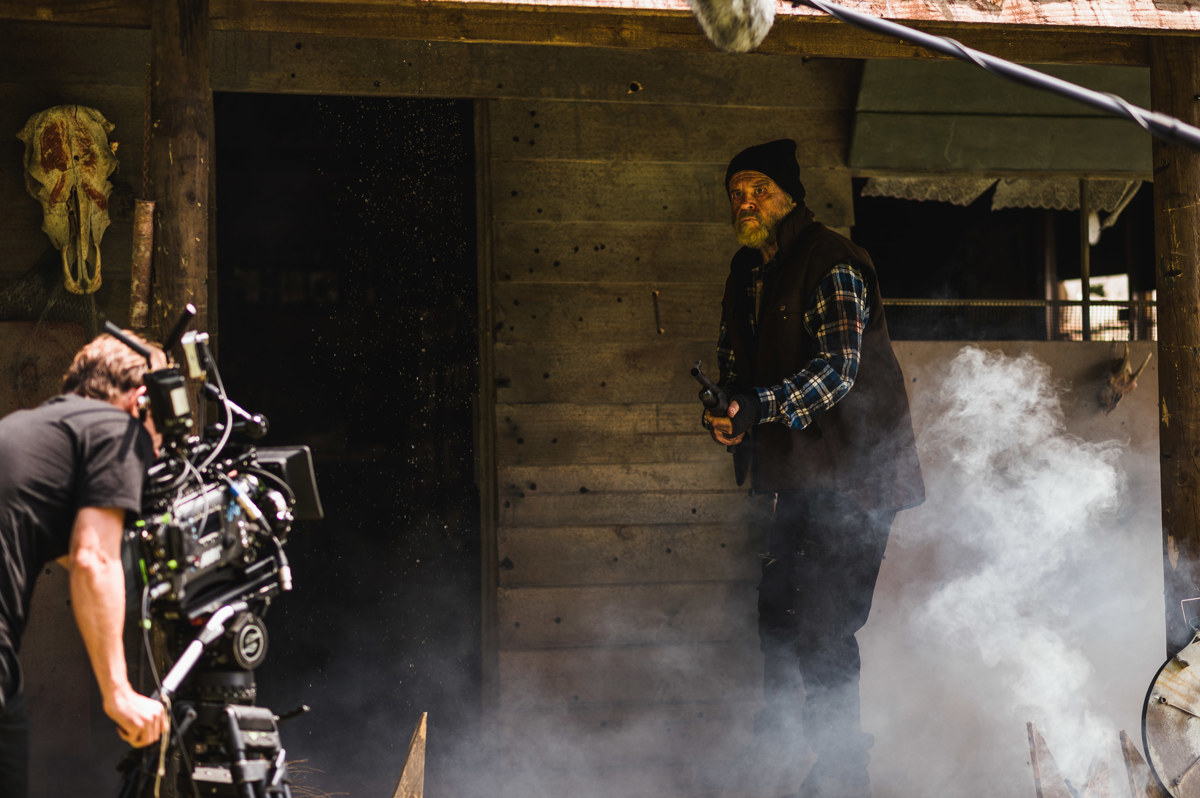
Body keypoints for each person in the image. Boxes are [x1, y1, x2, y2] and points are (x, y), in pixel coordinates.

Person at [703, 139, 925, 798]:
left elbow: (836, 373)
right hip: (800, 479)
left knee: (824, 628)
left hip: (859, 478)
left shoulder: (834, 262)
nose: (745, 201)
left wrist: (758, 405)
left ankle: (841, 778)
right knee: (777, 617)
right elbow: (736, 371)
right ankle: (790, 758)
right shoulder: (746, 273)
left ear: (789, 195)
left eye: (758, 188)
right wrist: (725, 412)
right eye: (736, 190)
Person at [0, 331, 170, 797]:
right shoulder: (117, 431)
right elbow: (93, 558)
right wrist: (117, 693)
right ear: (140, 400)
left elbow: (67, 544)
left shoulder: (30, 428)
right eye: (162, 426)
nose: (156, 450)